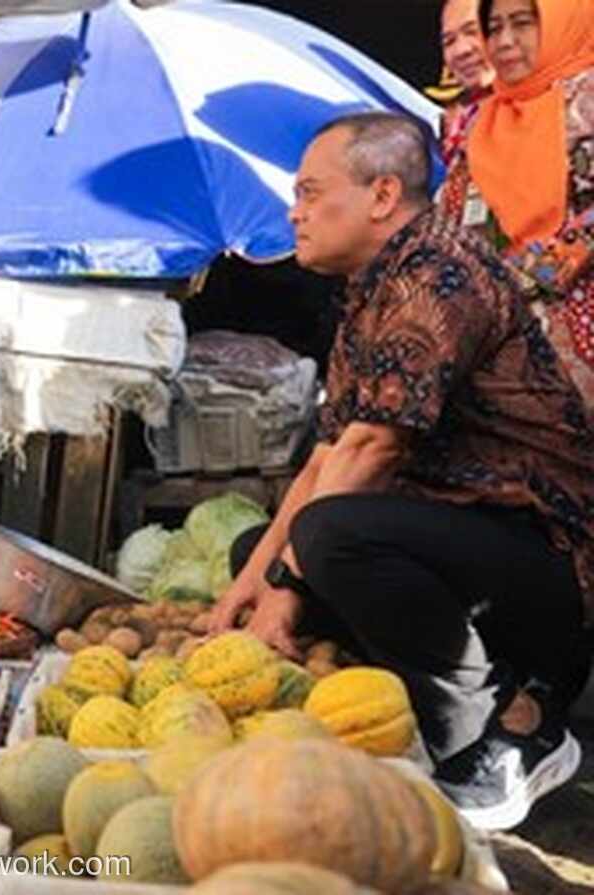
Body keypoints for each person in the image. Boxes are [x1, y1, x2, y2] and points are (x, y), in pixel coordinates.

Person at [210, 112, 594, 831]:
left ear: (382, 195)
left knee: (330, 538)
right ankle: (414, 705)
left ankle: (509, 728)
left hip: (549, 563)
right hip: (466, 545)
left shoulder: (440, 278)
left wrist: (285, 592)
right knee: (268, 549)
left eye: (310, 191)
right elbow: (326, 456)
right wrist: (240, 600)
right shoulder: (373, 288)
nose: (293, 211)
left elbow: (373, 451)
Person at [439, 0, 594, 404]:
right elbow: (454, 218)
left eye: (523, 24)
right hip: (498, 343)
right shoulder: (481, 121)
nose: (504, 42)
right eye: (493, 28)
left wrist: (526, 278)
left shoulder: (587, 102)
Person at [438, 0, 496, 167]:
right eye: (449, 42)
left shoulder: (555, 106)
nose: (461, 50)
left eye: (472, 32)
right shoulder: (458, 127)